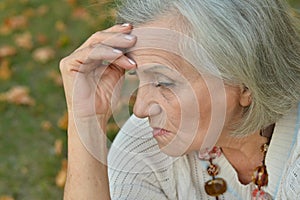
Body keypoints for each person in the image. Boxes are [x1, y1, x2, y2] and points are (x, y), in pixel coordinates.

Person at [59, 0, 300, 199]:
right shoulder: (145, 145)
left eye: (164, 82)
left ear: (246, 84)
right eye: (137, 78)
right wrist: (87, 120)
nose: (141, 109)